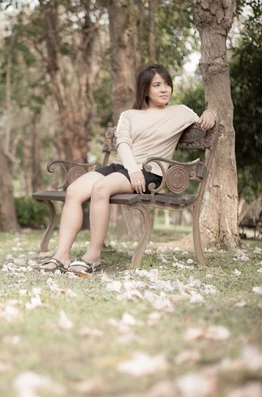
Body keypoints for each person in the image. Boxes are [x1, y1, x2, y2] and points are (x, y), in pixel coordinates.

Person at [35, 63, 217, 274]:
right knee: (74, 190)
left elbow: (206, 119)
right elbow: (123, 144)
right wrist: (132, 170)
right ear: (145, 89)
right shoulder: (129, 115)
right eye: (157, 85)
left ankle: (93, 256)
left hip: (151, 172)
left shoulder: (180, 112)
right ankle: (62, 255)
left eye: (167, 84)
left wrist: (211, 112)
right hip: (125, 169)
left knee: (101, 188)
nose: (164, 89)